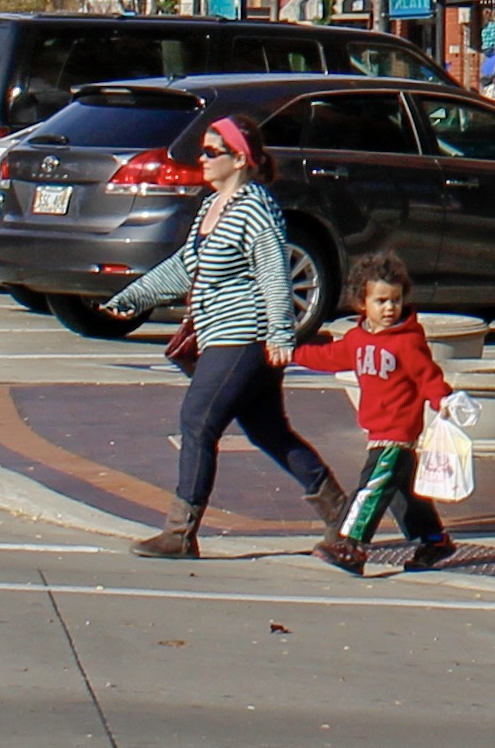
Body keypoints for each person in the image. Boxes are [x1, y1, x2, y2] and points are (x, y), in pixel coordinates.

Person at [111, 115, 346, 559]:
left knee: (198, 422)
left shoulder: (256, 207)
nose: (201, 159)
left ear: (239, 159)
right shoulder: (213, 205)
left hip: (246, 337)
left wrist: (281, 333)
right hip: (220, 334)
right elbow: (187, 267)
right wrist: (133, 298)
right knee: (269, 431)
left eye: (211, 152)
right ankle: (340, 513)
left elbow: (274, 272)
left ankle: (180, 533)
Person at [286, 252, 460, 576]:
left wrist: (444, 399)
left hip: (397, 434)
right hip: (377, 430)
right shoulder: (358, 339)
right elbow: (330, 356)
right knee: (404, 494)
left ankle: (351, 546)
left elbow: (428, 376)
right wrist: (292, 354)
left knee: (372, 488)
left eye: (395, 300)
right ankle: (434, 540)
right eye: (380, 301)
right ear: (361, 303)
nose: (389, 308)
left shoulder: (408, 342)